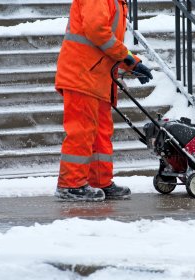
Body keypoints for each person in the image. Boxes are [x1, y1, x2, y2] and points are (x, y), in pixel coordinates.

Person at [54, 0, 153, 201]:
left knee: (100, 133)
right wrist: (129, 59)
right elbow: (98, 31)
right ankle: (70, 185)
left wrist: (131, 63)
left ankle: (100, 181)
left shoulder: (117, 2)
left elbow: (104, 42)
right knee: (81, 132)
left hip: (96, 78)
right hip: (82, 75)